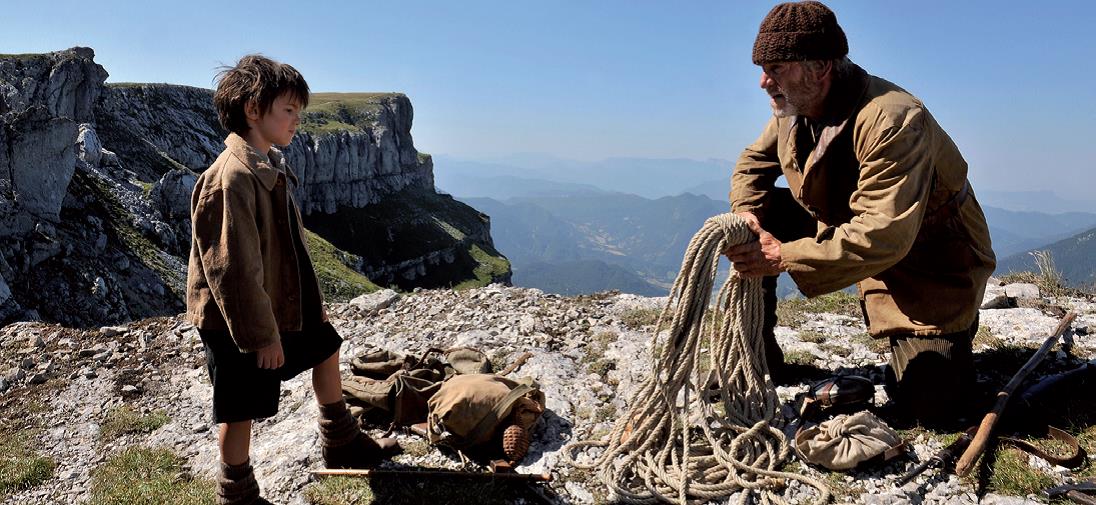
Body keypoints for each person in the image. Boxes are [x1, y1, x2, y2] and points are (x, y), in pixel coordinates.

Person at [724, 1, 996, 426]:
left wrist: (781, 257)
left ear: (821, 67)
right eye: (762, 67)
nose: (763, 82)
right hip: (852, 228)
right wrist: (748, 216)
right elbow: (753, 163)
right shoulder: (795, 106)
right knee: (753, 223)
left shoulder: (894, 119)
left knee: (933, 408)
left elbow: (884, 235)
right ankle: (757, 362)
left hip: (929, 261)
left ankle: (952, 335)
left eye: (776, 67)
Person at [186, 54, 398, 504]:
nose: (297, 120)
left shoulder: (267, 166)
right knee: (238, 410)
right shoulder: (231, 179)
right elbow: (232, 272)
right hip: (237, 323)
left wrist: (307, 302)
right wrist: (262, 338)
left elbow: (288, 249)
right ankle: (236, 492)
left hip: (276, 304)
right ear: (252, 110)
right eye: (288, 110)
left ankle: (339, 438)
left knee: (325, 345)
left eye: (299, 112)